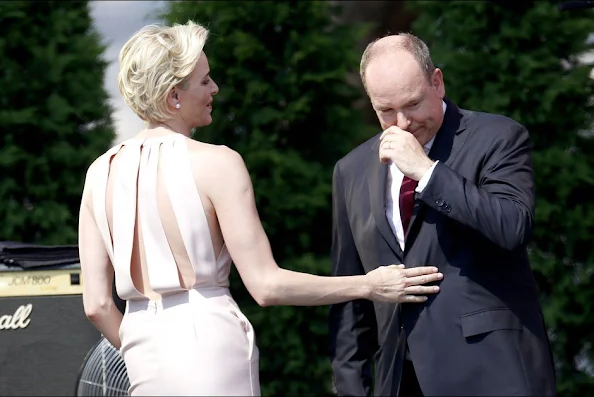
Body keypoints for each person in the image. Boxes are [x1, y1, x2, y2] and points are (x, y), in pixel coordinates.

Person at [77, 22, 444, 396]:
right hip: (208, 345)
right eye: (204, 81)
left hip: (141, 349)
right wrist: (370, 284)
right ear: (174, 96)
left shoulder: (98, 173)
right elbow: (266, 285)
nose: (214, 88)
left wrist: (145, 350)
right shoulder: (217, 162)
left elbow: (97, 305)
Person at [328, 33, 557, 396]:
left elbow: (512, 226)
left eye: (413, 104)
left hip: (489, 371)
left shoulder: (497, 136)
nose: (402, 123)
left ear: (437, 82)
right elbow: (351, 291)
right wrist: (352, 387)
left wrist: (428, 172)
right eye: (386, 111)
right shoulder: (351, 170)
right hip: (400, 379)